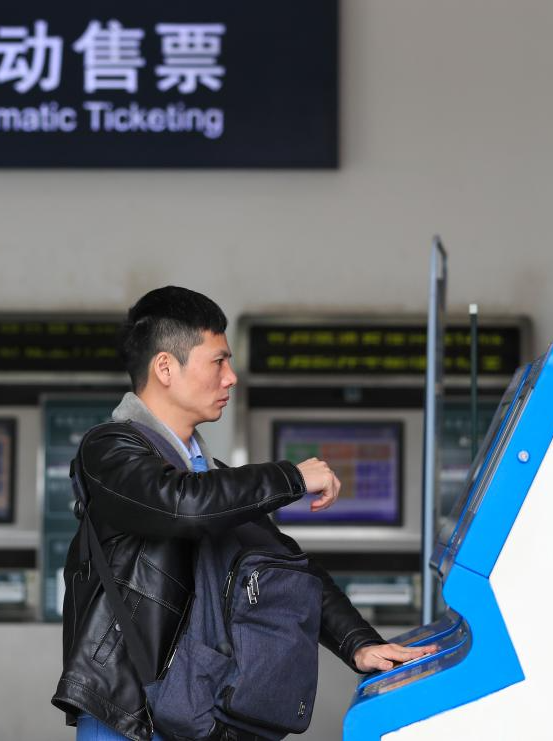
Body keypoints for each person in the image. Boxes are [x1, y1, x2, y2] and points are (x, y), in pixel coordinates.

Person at [52, 286, 434, 741]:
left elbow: (290, 567)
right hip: (128, 715)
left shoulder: (209, 477)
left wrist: (360, 643)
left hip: (193, 709)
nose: (231, 377)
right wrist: (291, 477)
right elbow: (182, 505)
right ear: (165, 368)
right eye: (218, 361)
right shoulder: (109, 452)